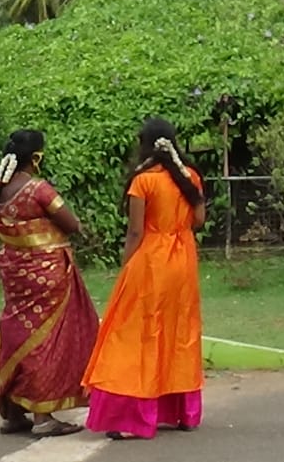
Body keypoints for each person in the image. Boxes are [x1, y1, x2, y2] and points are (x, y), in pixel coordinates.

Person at [83, 118, 208, 440]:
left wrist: (126, 266)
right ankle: (183, 413)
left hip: (152, 261)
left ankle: (132, 416)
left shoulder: (143, 181)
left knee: (135, 333)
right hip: (183, 261)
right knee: (178, 331)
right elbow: (198, 220)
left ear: (145, 144)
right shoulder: (189, 176)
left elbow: (136, 231)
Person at [0, 130, 99, 437]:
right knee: (45, 339)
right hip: (47, 275)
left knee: (19, 331)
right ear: (35, 158)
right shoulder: (39, 189)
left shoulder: (0, 191)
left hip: (15, 275)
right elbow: (70, 223)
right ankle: (43, 417)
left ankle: (14, 412)